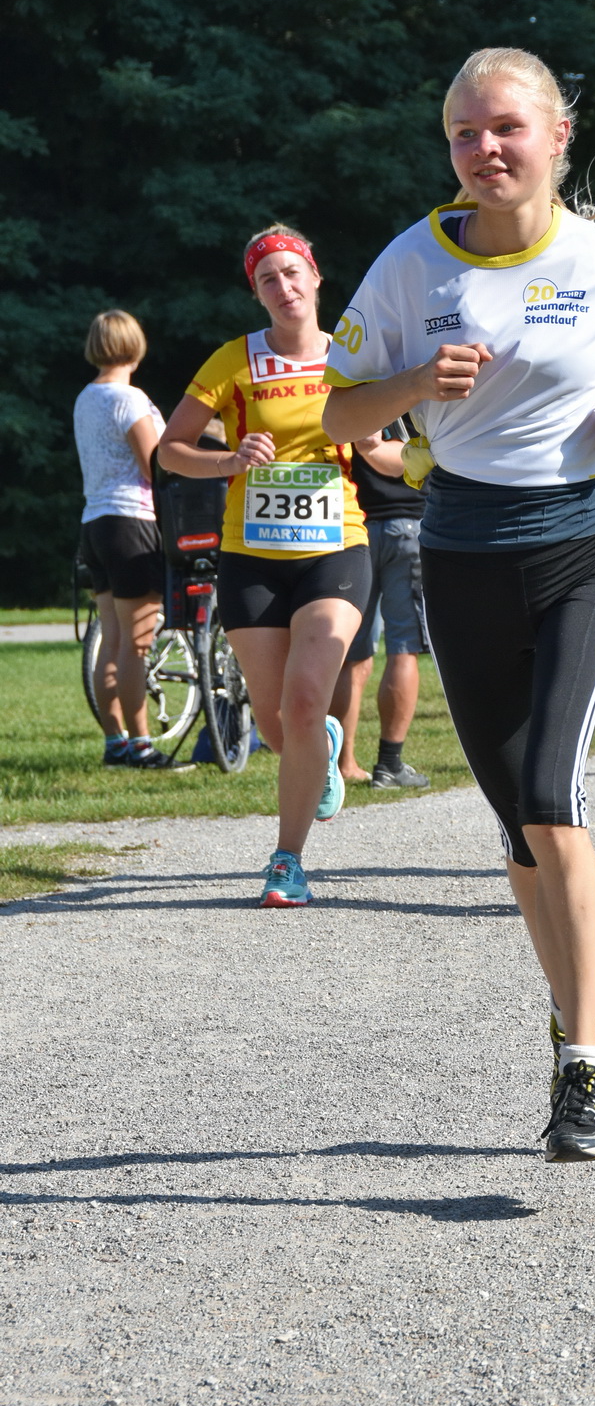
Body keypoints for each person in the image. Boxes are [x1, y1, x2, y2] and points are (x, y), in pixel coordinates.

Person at [322, 47, 595, 1162]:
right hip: (460, 550)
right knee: (521, 821)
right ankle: (583, 1020)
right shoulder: (409, 269)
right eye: (465, 133)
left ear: (557, 137)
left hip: (578, 548)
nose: (485, 150)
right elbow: (336, 417)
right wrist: (417, 385)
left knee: (553, 794)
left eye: (507, 128)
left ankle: (585, 1064)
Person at [158, 225, 371, 907]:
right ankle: (320, 743)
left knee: (305, 697)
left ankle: (287, 860)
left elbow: (382, 447)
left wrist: (429, 462)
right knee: (279, 725)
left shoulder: (352, 358)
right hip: (251, 555)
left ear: (315, 277)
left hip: (336, 546)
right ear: (256, 292)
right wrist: (228, 461)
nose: (283, 287)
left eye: (291, 272)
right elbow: (170, 449)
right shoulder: (233, 360)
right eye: (266, 279)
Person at [73, 310, 168, 768]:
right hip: (133, 522)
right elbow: (155, 466)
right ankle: (142, 742)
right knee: (136, 643)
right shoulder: (129, 399)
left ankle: (115, 741)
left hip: (95, 523)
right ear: (135, 344)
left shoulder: (85, 398)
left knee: (110, 640)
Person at [329, 422, 431, 790]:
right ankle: (389, 764)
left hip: (354, 527)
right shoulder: (415, 380)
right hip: (409, 525)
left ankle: (341, 763)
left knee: (350, 654)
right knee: (403, 648)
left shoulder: (352, 381)